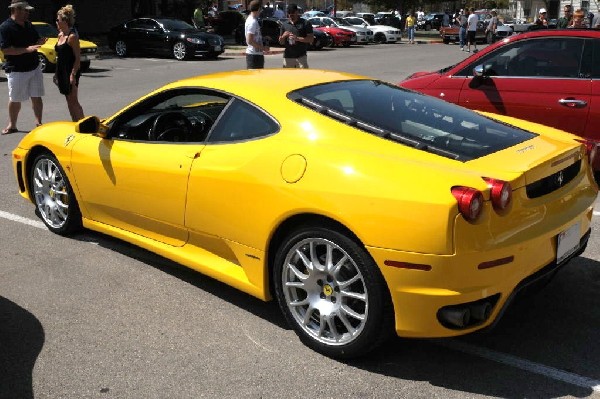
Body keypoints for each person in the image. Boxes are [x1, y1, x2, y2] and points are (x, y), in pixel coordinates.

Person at [0, 0, 46, 135]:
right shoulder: (5, 27)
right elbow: (6, 50)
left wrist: (39, 42)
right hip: (17, 70)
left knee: (37, 96)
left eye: (28, 11)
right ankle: (12, 125)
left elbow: (34, 42)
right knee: (15, 99)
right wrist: (27, 49)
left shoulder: (28, 25)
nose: (27, 13)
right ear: (16, 10)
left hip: (34, 67)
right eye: (25, 10)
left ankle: (39, 123)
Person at [54, 4, 84, 121]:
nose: (56, 22)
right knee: (68, 100)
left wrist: (73, 75)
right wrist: (56, 73)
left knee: (74, 101)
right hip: (61, 71)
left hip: (71, 71)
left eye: (58, 20)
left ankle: (84, 126)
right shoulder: (60, 35)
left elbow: (77, 58)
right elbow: (59, 56)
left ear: (65, 21)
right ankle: (74, 123)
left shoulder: (72, 37)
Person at [278, 4, 313, 68]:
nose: (291, 15)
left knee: (303, 77)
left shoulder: (305, 23)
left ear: (297, 12)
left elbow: (311, 39)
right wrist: (283, 36)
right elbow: (281, 42)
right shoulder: (284, 25)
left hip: (301, 57)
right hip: (288, 57)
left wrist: (297, 38)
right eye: (289, 13)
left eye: (293, 13)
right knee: (288, 77)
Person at [245, 0, 267, 69]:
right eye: (261, 9)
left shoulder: (251, 19)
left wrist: (263, 38)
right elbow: (249, 41)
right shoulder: (252, 22)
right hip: (254, 56)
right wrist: (263, 48)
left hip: (255, 55)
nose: (261, 11)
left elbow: (253, 37)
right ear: (258, 8)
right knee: (255, 78)